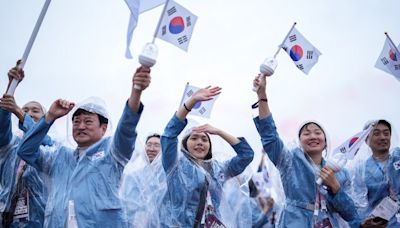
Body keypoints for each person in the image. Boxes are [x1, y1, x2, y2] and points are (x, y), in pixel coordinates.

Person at [16, 66, 151, 227]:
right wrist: (49, 117)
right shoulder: (59, 156)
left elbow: (126, 129)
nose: (80, 126)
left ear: (103, 128)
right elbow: (25, 151)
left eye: (88, 122)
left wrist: (136, 91)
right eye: (76, 121)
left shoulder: (112, 153)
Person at [252, 75, 360, 227]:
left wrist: (335, 187)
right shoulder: (288, 161)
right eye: (307, 133)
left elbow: (351, 214)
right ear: (300, 141)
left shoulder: (340, 172)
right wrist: (262, 95)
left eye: (317, 132)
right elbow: (269, 136)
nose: (313, 136)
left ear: (325, 141)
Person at [160, 86, 254, 227]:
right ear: (185, 144)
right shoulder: (175, 166)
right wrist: (191, 102)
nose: (199, 143)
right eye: (194, 138)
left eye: (204, 139)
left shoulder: (219, 169)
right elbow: (169, 135)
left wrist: (218, 131)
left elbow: (246, 155)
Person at [0, 64, 53, 227]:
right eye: (26, 110)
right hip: (9, 220)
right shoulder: (11, 146)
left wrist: (20, 113)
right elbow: (1, 129)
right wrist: (11, 87)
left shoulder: (52, 146)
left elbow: (40, 138)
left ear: (45, 117)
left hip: (42, 220)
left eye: (35, 111)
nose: (29, 113)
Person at [351, 120, 400, 227]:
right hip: (380, 223)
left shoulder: (397, 159)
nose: (383, 137)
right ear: (366, 140)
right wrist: (364, 223)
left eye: (386, 133)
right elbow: (359, 203)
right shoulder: (361, 170)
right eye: (376, 133)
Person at [121, 133, 166, 227]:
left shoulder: (168, 176)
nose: (151, 149)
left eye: (157, 145)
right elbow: (126, 204)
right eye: (149, 145)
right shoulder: (133, 175)